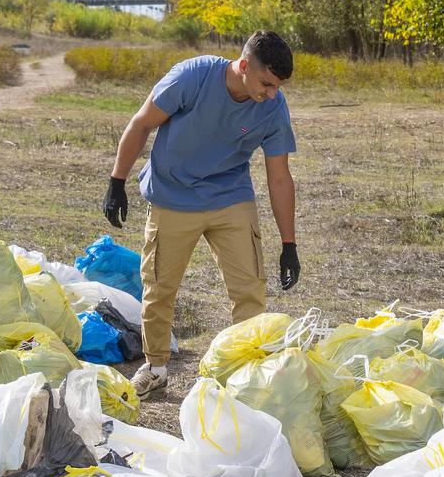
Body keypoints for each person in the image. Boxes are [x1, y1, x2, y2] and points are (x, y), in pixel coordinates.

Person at [102, 30, 302, 397]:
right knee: (160, 287)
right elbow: (143, 122)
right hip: (173, 196)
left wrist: (289, 244)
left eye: (277, 87)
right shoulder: (192, 77)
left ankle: (245, 372)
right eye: (266, 83)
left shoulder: (273, 106)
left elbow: (279, 177)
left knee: (250, 290)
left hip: (230, 196)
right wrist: (117, 181)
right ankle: (156, 367)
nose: (271, 93)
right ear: (243, 66)